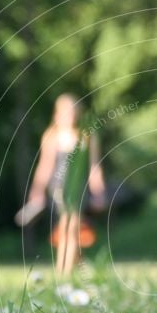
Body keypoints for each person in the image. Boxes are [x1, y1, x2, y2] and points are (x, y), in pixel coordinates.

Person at [28, 94, 106, 275]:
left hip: (78, 188)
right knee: (67, 228)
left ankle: (63, 273)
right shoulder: (51, 135)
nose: (69, 115)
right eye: (64, 111)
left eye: (72, 111)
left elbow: (94, 166)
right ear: (57, 113)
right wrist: (37, 190)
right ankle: (72, 269)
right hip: (57, 188)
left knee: (70, 227)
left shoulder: (87, 135)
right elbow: (45, 165)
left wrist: (99, 191)